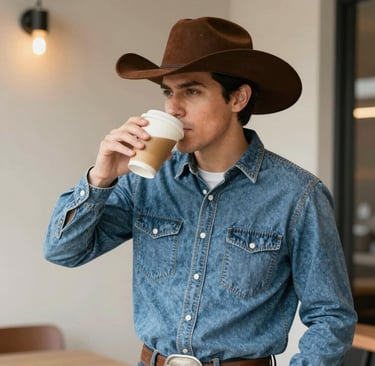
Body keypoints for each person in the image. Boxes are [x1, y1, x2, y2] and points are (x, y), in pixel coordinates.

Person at [44, 16, 357, 366]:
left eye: (191, 91)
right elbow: (63, 252)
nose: (173, 108)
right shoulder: (145, 181)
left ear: (238, 98)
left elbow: (332, 316)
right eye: (167, 92)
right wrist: (100, 178)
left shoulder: (298, 195)